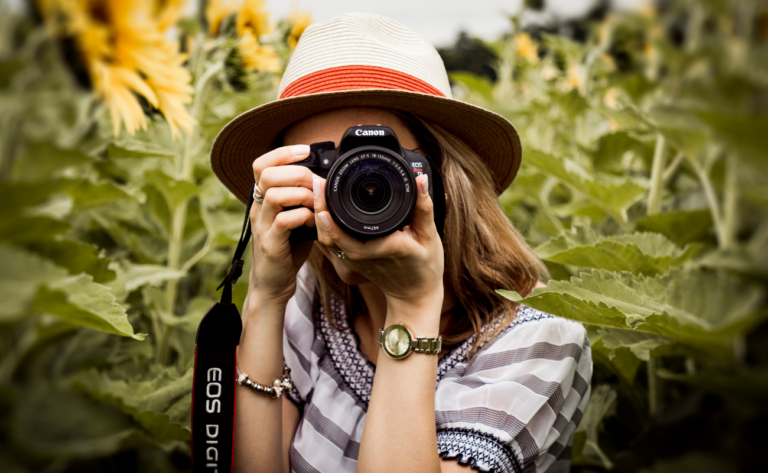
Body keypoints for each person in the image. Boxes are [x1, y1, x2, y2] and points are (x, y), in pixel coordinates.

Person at [210, 12, 592, 473]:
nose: (349, 190)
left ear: (446, 179)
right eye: (324, 169)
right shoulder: (309, 299)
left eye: (379, 166)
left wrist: (412, 305)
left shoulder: (540, 344)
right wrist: (265, 296)